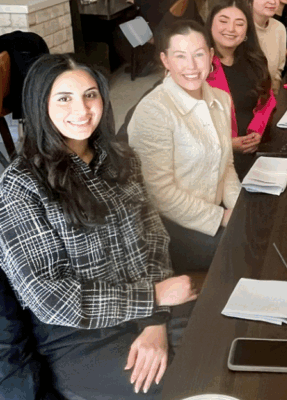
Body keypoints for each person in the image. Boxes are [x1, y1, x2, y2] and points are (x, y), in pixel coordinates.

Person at [0, 55, 197, 399]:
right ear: (39, 104)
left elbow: (153, 238)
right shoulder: (21, 184)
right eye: (64, 98)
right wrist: (151, 298)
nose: (82, 109)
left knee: (218, 347)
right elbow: (50, 298)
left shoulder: (122, 158)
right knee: (177, 385)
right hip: (78, 335)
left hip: (148, 304)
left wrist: (155, 318)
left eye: (90, 95)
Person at [127, 20, 241, 273]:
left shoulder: (220, 99)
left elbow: (227, 165)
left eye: (199, 54)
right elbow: (160, 194)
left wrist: (239, 208)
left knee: (262, 229)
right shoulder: (154, 110)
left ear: (211, 55)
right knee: (246, 251)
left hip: (215, 209)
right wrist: (222, 218)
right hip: (170, 226)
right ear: (165, 60)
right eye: (180, 56)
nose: (191, 66)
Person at [206, 0, 276, 178]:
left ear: (246, 32)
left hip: (254, 150)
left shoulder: (254, 61)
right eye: (223, 21)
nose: (230, 29)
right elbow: (184, 127)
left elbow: (267, 100)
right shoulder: (198, 66)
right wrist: (228, 144)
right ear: (210, 26)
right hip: (211, 162)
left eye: (239, 24)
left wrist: (256, 132)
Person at [243, 0, 287, 92]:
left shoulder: (279, 28)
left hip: (269, 97)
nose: (272, 1)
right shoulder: (240, 28)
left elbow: (278, 70)